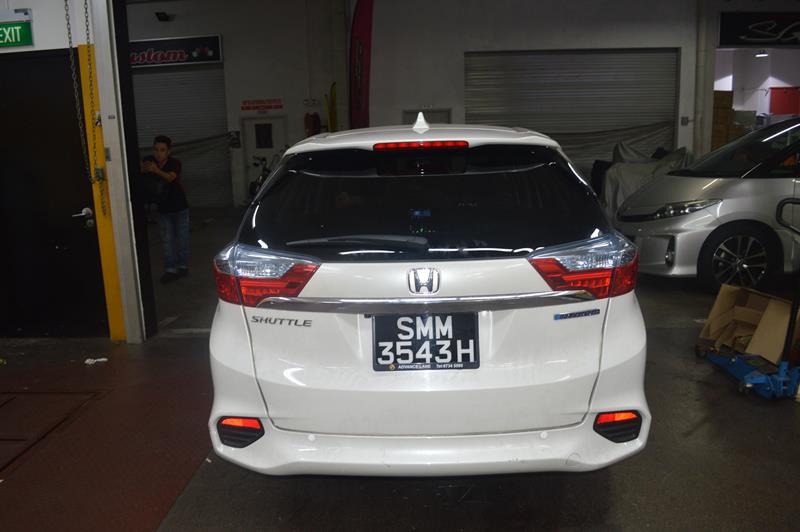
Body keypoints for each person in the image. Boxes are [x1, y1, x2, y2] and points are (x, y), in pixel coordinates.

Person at [141, 135, 189, 284]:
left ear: (168, 151)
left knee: (182, 239)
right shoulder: (150, 161)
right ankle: (170, 270)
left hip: (180, 208)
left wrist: (155, 170)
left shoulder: (174, 163)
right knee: (168, 241)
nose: (158, 153)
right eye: (156, 150)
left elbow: (170, 178)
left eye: (162, 150)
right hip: (163, 209)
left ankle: (183, 267)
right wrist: (146, 168)